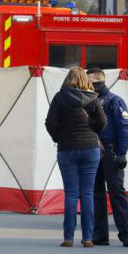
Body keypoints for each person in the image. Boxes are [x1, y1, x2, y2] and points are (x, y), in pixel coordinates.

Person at [45, 66, 107, 248]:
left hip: (66, 149)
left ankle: (68, 238)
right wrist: (92, 132)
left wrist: (59, 137)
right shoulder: (93, 98)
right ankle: (88, 238)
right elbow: (103, 122)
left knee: (71, 194)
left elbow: (50, 123)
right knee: (87, 194)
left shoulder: (59, 98)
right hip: (89, 149)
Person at [87, 68, 128, 246]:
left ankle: (126, 233)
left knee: (116, 193)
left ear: (99, 82)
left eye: (91, 83)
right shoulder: (88, 101)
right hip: (94, 151)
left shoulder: (115, 101)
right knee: (96, 194)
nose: (88, 86)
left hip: (111, 151)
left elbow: (124, 128)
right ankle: (100, 235)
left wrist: (122, 153)